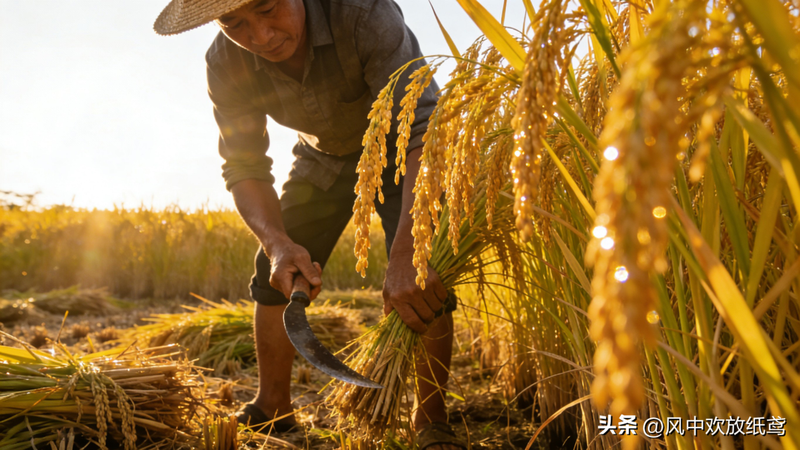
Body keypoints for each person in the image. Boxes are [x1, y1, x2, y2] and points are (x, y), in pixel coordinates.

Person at [154, 0, 464, 448]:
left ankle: (430, 419)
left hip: (405, 153)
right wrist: (278, 243)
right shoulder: (224, 62)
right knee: (274, 271)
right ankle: (273, 407)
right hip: (322, 160)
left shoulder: (363, 14)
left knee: (422, 273)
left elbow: (422, 128)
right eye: (235, 23)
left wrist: (406, 251)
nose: (260, 37)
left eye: (267, 9)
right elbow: (244, 167)